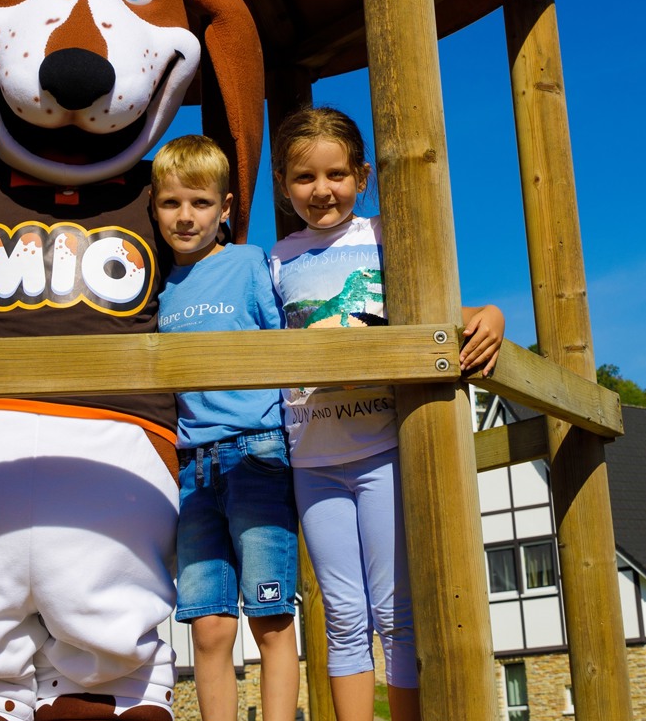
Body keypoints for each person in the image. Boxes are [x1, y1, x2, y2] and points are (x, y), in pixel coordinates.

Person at [268, 107, 504, 721]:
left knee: (396, 612)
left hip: (382, 448)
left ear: (362, 176)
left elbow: (439, 308)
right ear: (284, 184)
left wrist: (491, 315)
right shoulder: (276, 260)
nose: (322, 191)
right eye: (304, 179)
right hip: (313, 456)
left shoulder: (383, 237)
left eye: (337, 174)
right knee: (343, 615)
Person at [153, 136, 298, 721]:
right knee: (209, 625)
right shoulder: (159, 287)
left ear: (226, 207)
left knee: (269, 616)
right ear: (154, 208)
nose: (185, 216)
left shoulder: (247, 262)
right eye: (170, 203)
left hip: (257, 452)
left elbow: (286, 340)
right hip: (192, 465)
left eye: (200, 203)